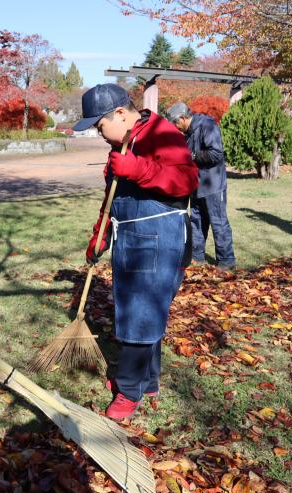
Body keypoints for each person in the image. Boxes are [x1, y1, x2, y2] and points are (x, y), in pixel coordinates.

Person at [73, 85, 198, 419]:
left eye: (99, 126)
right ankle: (148, 379)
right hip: (129, 236)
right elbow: (112, 198)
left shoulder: (162, 133)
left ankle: (129, 389)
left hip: (160, 236)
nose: (100, 134)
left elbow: (187, 181)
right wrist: (100, 235)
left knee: (142, 312)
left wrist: (139, 169)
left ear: (120, 113)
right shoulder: (120, 145)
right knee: (136, 309)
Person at [165, 102, 236, 269]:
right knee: (196, 221)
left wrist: (192, 155)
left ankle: (227, 260)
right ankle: (197, 256)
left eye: (175, 123)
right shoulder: (187, 133)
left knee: (218, 222)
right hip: (196, 184)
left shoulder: (207, 126)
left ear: (182, 118)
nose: (175, 127)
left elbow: (216, 154)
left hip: (213, 184)